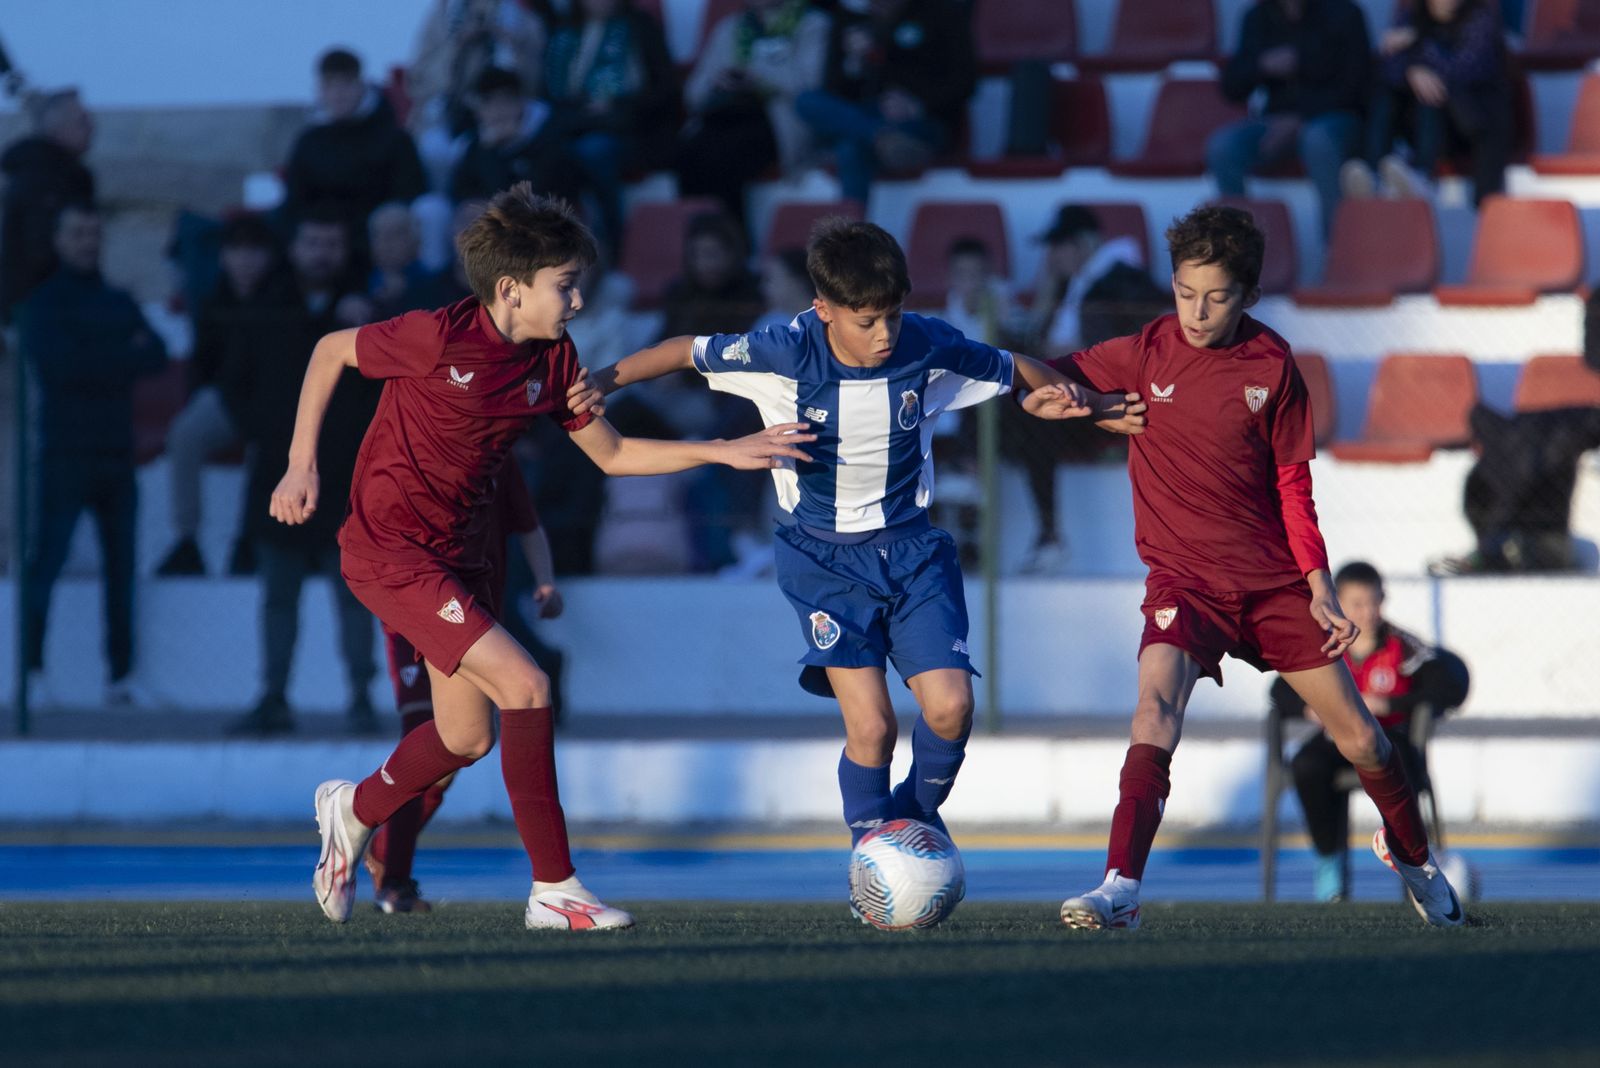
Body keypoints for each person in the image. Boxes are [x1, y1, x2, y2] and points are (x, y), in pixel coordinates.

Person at [273, 182, 811, 929]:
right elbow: (331, 350)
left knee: (465, 736)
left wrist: (724, 450)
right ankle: (555, 888)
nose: (578, 301)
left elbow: (613, 455)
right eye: (565, 286)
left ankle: (351, 808)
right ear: (510, 290)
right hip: (390, 549)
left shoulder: (555, 360)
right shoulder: (435, 335)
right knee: (527, 685)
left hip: (463, 559)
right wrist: (303, 465)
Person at [586, 218, 1144, 880]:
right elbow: (684, 349)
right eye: (866, 320)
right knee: (873, 727)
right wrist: (603, 380)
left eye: (893, 315)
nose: (884, 334)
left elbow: (1008, 364)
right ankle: (875, 861)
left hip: (913, 551)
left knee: (951, 708)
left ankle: (910, 828)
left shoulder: (923, 341)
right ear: (822, 309)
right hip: (822, 562)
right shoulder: (783, 351)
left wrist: (1071, 397)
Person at [1048, 205, 1464, 929]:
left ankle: (1418, 862)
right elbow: (1037, 376)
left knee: (1363, 739)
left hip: (1273, 586)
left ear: (1247, 296)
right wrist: (1088, 408)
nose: (1196, 311)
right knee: (1154, 710)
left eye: (1215, 296)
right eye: (1184, 292)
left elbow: (1293, 486)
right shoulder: (1145, 349)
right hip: (1185, 583)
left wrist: (1319, 584)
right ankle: (1120, 886)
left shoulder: (1273, 366)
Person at [364, 456, 561, 913]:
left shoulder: (499, 454)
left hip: (475, 618)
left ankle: (381, 846)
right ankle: (393, 878)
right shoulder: (419, 449)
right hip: (415, 616)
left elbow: (528, 525)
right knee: (421, 730)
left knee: (458, 750)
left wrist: (547, 582)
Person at [228, 210, 381, 737]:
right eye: (312, 239)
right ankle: (273, 698)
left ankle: (362, 698)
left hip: (347, 484)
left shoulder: (370, 313)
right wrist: (275, 445)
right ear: (295, 247)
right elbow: (235, 387)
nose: (322, 252)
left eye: (332, 241)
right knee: (277, 597)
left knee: (356, 596)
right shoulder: (264, 309)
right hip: (278, 481)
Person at [19, 202, 168, 707]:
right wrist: (117, 354)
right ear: (59, 239)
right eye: (77, 233)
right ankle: (31, 675)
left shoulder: (115, 299)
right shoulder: (43, 302)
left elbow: (157, 355)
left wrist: (96, 355)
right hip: (64, 454)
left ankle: (121, 679)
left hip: (115, 455)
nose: (87, 242)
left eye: (93, 233)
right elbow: (58, 368)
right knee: (47, 562)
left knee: (121, 569)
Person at [1270, 561, 1461, 902]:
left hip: (1388, 738)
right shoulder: (1321, 644)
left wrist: (1389, 705)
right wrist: (1309, 708)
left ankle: (1411, 861)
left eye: (1374, 602)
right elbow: (1279, 689)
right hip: (1335, 741)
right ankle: (1329, 862)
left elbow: (1445, 685)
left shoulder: (1403, 647)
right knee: (1306, 765)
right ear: (1337, 603)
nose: (1368, 611)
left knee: (1402, 764)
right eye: (1357, 604)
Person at [1008, 206, 1159, 574]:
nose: (1050, 256)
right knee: (1009, 396)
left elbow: (1116, 348)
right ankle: (967, 473)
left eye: (1057, 246)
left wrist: (1053, 357)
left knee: (1032, 418)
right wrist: (1047, 292)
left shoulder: (1121, 279)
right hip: (1072, 394)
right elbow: (1038, 338)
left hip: (1109, 403)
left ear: (1081, 244)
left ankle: (1049, 536)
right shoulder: (1072, 283)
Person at [156, 212, 284, 577]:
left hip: (277, 404)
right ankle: (187, 540)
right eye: (236, 251)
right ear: (224, 256)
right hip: (228, 399)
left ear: (270, 256)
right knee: (184, 433)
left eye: (254, 251)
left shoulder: (284, 299)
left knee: (275, 440)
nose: (245, 261)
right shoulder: (213, 301)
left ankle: (252, 540)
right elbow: (203, 364)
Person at [1207, 0, 1371, 236]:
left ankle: (1339, 246)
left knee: (1317, 140)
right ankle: (1236, 247)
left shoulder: (1346, 13)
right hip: (1277, 121)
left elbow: (1358, 88)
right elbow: (1231, 88)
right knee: (1222, 147)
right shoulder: (1257, 17)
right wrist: (1261, 65)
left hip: (1338, 120)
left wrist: (1301, 118)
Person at [795, 0, 974, 205]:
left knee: (850, 149)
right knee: (807, 101)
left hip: (924, 121)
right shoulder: (853, 20)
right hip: (869, 116)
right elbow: (835, 91)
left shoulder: (942, 13)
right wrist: (854, 62)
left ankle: (851, 236)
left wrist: (918, 105)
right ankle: (881, 136)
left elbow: (966, 82)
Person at [676, 0, 831, 234]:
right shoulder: (730, 27)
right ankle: (701, 242)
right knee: (688, 153)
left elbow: (810, 87)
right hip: (727, 113)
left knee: (726, 156)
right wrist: (717, 82)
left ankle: (731, 243)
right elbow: (693, 93)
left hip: (776, 118)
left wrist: (760, 77)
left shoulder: (812, 23)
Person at [541, 0, 678, 261]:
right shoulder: (564, 32)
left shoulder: (639, 27)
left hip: (631, 129)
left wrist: (616, 104)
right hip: (573, 124)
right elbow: (549, 94)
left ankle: (612, 245)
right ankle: (549, 249)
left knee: (594, 151)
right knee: (547, 153)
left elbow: (665, 89)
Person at [1340, 0, 1512, 206]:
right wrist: (1410, 72)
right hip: (1418, 125)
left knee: (1430, 90)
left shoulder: (1481, 19)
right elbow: (1386, 67)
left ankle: (1422, 177)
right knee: (1387, 94)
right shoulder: (1411, 16)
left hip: (1469, 125)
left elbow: (1464, 69)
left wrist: (1419, 44)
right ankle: (1373, 174)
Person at [282, 49, 427, 245]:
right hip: (320, 238)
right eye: (330, 85)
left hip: (374, 237)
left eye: (346, 84)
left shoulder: (393, 138)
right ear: (320, 90)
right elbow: (295, 199)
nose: (338, 93)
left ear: (361, 86)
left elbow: (409, 193)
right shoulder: (309, 141)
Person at [0, 88, 94, 322]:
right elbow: (41, 252)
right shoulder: (43, 177)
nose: (91, 127)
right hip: (44, 309)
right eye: (82, 121)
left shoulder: (60, 174)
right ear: (57, 128)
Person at [447, 67, 577, 207]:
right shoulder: (475, 146)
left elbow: (525, 199)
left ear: (521, 103)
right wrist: (488, 151)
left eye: (506, 100)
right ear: (479, 111)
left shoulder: (547, 139)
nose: (499, 110)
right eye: (489, 102)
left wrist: (495, 152)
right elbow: (462, 195)